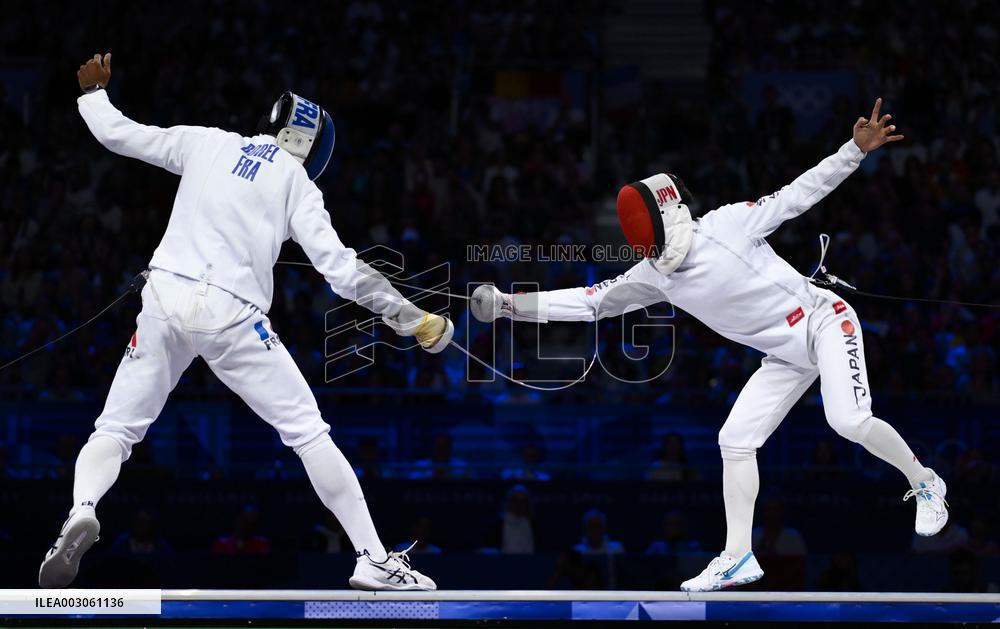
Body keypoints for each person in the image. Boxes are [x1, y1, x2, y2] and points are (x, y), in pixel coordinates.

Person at [471, 98, 949, 591]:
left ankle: (926, 482)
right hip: (785, 356)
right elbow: (592, 303)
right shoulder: (654, 275)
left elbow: (798, 194)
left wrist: (855, 148)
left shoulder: (728, 224)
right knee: (735, 440)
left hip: (824, 321)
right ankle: (739, 556)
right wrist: (510, 305)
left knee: (846, 420)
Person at [39, 53, 453, 591]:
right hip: (233, 316)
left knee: (115, 429)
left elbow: (120, 134)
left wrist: (94, 95)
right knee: (308, 433)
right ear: (307, 145)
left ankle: (81, 510)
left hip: (164, 298)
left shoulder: (207, 141)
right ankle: (372, 559)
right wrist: (412, 318)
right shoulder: (298, 185)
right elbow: (344, 272)